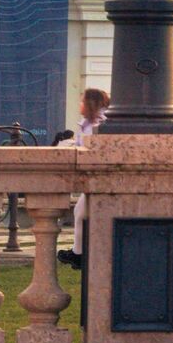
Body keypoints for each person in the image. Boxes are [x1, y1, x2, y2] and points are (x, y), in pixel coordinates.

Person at [57, 86, 109, 268]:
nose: (80, 104)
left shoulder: (95, 125)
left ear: (90, 104)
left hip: (99, 179)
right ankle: (78, 252)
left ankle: (79, 253)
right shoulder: (91, 123)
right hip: (95, 179)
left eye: (82, 101)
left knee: (81, 212)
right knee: (80, 212)